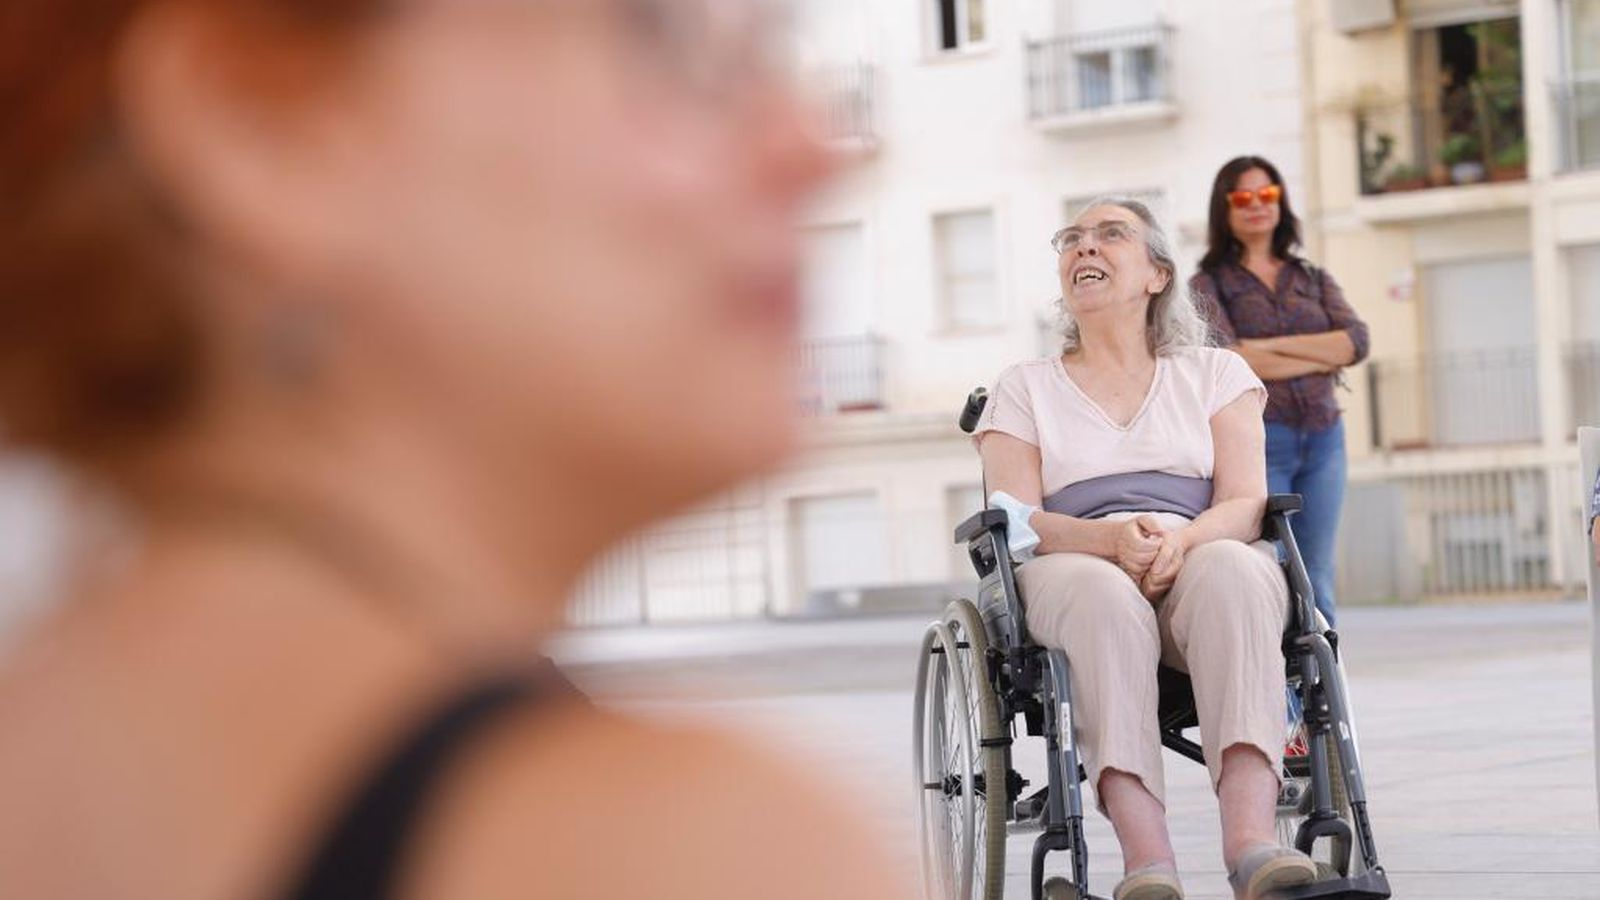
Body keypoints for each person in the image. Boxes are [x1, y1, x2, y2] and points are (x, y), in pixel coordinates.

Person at [0, 2, 906, 899]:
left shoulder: (48, 737)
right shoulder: (670, 850)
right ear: (265, 121)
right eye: (673, 37)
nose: (810, 148)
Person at [974, 198, 1317, 900]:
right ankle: (1148, 861)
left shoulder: (1214, 375)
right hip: (1074, 562)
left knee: (1236, 570)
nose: (1083, 248)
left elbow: (1246, 503)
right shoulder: (1024, 386)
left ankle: (1252, 843)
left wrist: (1182, 539)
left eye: (1109, 235)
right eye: (1070, 239)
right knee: (1104, 598)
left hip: (1194, 547)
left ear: (1157, 274)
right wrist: (1105, 540)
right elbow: (1012, 516)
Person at [1190, 156, 1369, 628]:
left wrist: (1268, 347)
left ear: (1281, 202)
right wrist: (1320, 354)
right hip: (1259, 443)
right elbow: (1230, 359)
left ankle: (1325, 693)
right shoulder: (1207, 285)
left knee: (1318, 577)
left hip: (1325, 439)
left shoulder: (1311, 278)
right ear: (1224, 209)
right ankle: (1279, 697)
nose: (1256, 206)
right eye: (1243, 197)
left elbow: (1355, 342)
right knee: (1273, 571)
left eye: (1266, 195)